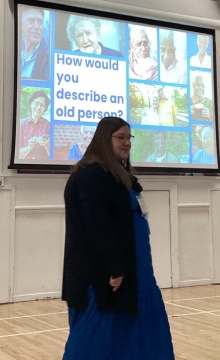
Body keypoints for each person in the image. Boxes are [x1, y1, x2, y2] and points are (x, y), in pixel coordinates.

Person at [62, 117, 175, 359]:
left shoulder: (115, 173)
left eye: (128, 138)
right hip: (103, 274)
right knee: (96, 334)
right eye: (120, 138)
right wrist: (115, 267)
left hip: (135, 269)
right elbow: (96, 225)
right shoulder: (92, 173)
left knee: (128, 330)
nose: (126, 143)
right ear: (105, 139)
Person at [18, 90, 51, 160]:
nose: (39, 107)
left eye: (42, 105)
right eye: (36, 103)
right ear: (31, 104)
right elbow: (19, 153)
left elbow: (54, 155)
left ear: (45, 109)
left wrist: (47, 145)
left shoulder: (49, 125)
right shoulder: (23, 125)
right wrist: (29, 148)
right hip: (26, 165)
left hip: (43, 165)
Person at [20, 6, 50, 80]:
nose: (37, 26)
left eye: (40, 22)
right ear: (20, 24)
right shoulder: (12, 49)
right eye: (31, 21)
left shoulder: (49, 55)